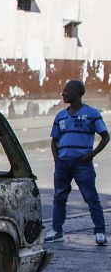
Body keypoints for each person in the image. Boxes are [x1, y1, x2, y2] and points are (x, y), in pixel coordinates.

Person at [45, 79, 109, 245]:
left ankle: (100, 232)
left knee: (91, 197)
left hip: (82, 163)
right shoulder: (60, 116)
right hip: (63, 164)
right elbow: (54, 140)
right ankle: (56, 230)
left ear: (77, 93)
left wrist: (91, 155)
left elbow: (105, 136)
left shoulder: (92, 114)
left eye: (67, 90)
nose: (63, 93)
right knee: (59, 196)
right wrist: (57, 159)